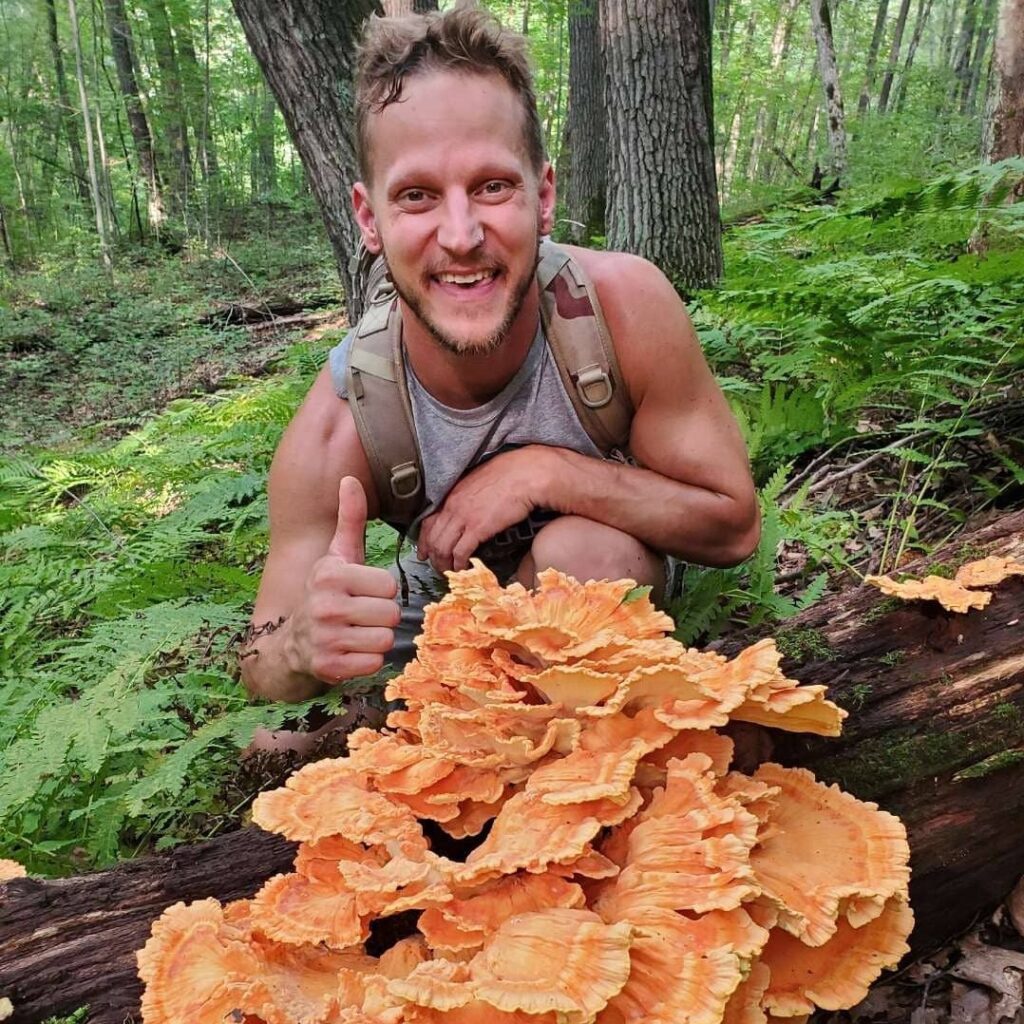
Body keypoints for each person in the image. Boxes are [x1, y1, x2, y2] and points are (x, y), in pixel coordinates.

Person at [240, 3, 759, 704]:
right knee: (273, 742)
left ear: (543, 196)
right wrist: (301, 643)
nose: (460, 235)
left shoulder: (621, 310)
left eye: (491, 186)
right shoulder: (345, 416)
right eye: (418, 195)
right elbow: (259, 660)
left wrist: (546, 473)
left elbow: (733, 526)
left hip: (608, 574)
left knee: (584, 556)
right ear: (370, 219)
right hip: (443, 617)